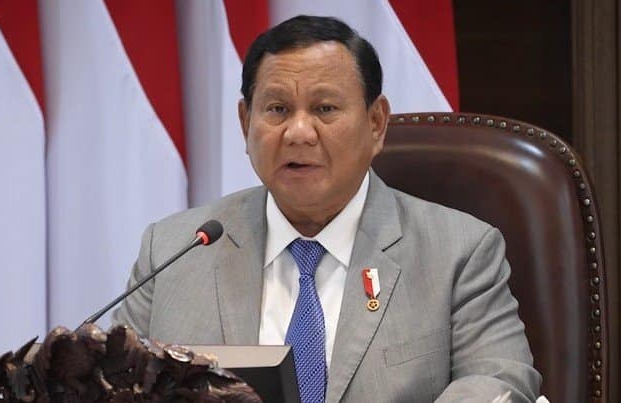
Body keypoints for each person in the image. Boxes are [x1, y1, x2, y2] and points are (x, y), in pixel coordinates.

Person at [113, 15, 541, 402]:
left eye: (325, 109)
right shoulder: (173, 251)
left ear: (376, 123)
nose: (299, 132)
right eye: (277, 109)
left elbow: (498, 379)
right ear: (246, 124)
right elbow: (114, 385)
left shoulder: (459, 252)